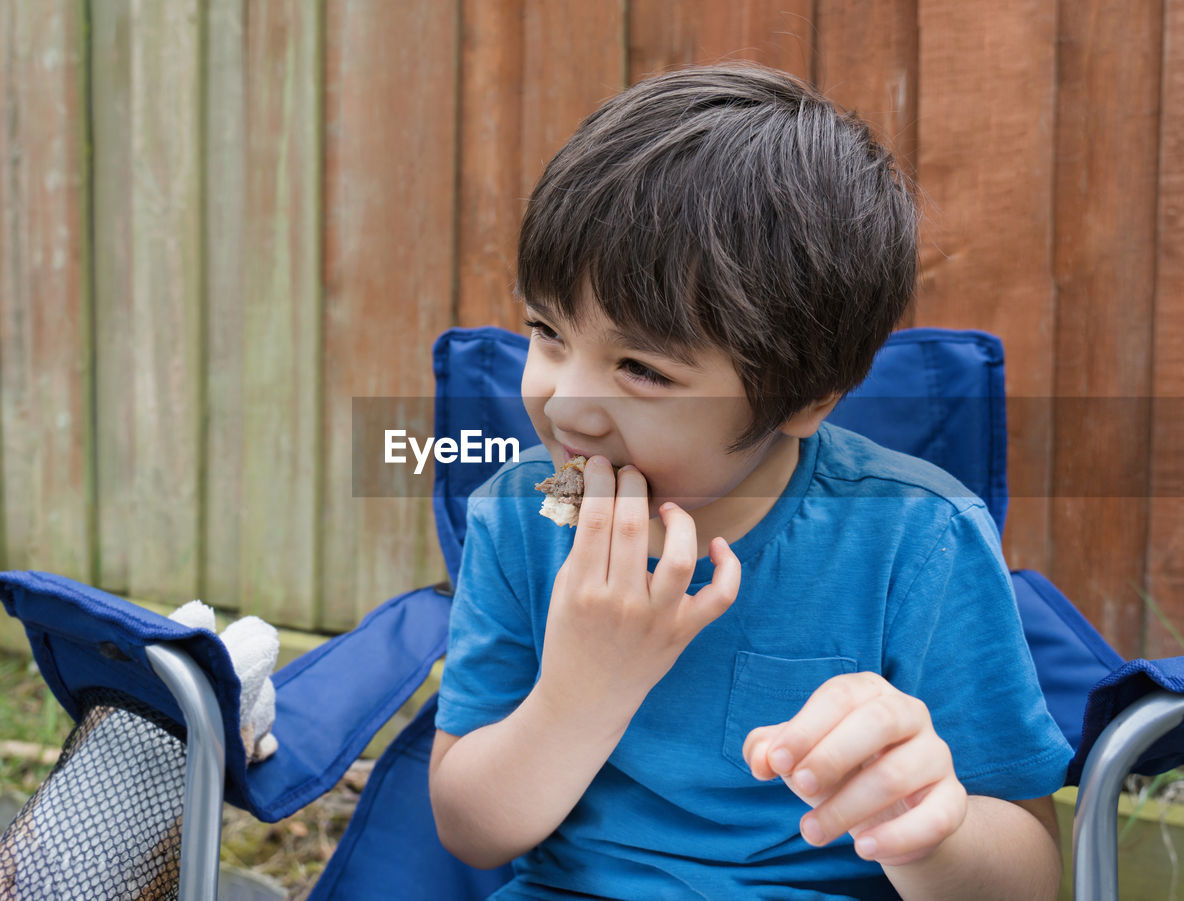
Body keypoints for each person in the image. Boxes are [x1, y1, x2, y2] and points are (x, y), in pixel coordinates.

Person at [428, 63, 1072, 900]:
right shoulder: (522, 515)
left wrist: (925, 824)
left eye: (641, 368)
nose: (566, 406)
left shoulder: (917, 538)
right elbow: (470, 831)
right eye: (548, 332)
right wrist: (583, 689)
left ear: (803, 398)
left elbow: (1029, 878)